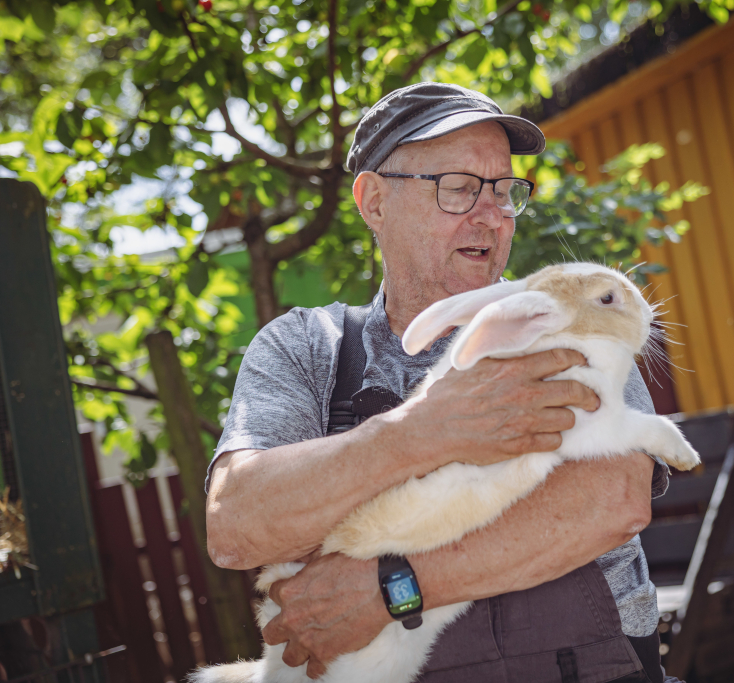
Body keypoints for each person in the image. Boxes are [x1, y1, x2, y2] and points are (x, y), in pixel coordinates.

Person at [205, 82, 681, 683]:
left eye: (506, 191)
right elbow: (237, 527)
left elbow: (610, 499)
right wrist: (421, 430)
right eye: (458, 188)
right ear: (374, 201)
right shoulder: (305, 349)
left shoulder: (562, 315)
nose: (492, 214)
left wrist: (395, 588)